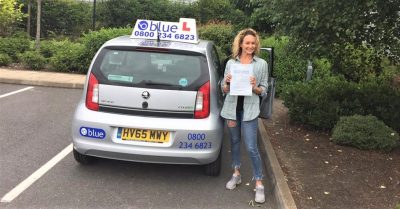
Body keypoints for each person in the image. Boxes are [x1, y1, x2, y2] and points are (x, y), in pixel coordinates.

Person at [220, 28, 268, 204]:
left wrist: (255, 87)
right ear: (240, 44)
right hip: (232, 109)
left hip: (249, 111)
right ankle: (236, 173)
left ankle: (259, 183)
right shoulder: (231, 63)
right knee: (234, 142)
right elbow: (223, 88)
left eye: (253, 43)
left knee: (251, 147)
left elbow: (264, 90)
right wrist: (226, 83)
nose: (250, 46)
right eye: (247, 43)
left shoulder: (261, 64)